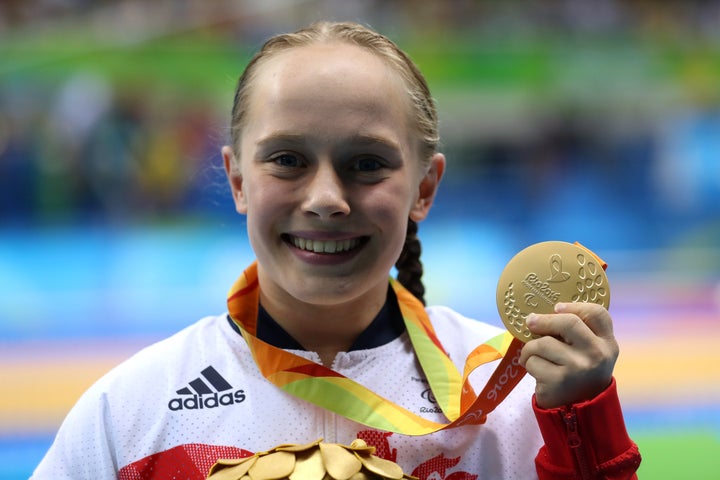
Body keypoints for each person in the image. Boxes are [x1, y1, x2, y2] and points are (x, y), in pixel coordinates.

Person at [32, 21, 641, 480]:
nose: (326, 199)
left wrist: (582, 426)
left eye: (366, 164)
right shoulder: (130, 414)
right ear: (239, 180)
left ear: (424, 187)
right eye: (288, 160)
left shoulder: (513, 408)